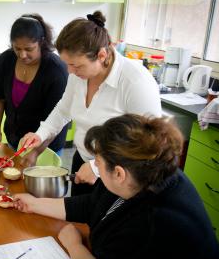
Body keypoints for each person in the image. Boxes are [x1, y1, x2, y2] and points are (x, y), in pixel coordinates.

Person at [14, 114, 219, 259]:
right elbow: (91, 205)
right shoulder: (142, 174)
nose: (95, 165)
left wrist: (74, 245)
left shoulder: (151, 226)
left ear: (119, 173)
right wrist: (34, 204)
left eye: (98, 161)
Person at [20, 11, 162, 195]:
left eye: (76, 65)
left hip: (119, 175)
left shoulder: (135, 81)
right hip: (83, 161)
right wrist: (40, 135)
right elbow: (63, 110)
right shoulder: (78, 76)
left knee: (103, 223)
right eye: (67, 65)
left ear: (102, 55)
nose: (70, 72)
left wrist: (97, 167)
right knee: (80, 220)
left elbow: (148, 142)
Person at [0, 14, 68, 155]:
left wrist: (35, 153)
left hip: (47, 148)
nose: (22, 55)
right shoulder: (6, 61)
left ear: (41, 42)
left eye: (29, 49)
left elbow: (56, 119)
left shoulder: (56, 71)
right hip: (14, 141)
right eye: (17, 48)